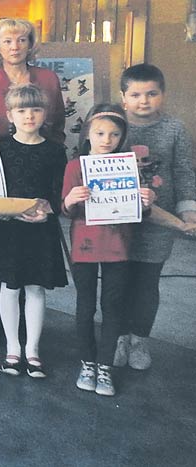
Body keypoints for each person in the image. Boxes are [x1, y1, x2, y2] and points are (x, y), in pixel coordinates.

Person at [0, 18, 66, 335]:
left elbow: (57, 124)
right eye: (7, 41)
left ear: (30, 44)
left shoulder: (48, 79)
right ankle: (0, 309)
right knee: (5, 248)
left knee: (35, 250)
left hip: (39, 163)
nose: (15, 47)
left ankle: (29, 317)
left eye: (22, 40)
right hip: (0, 167)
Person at [62, 104, 154, 396]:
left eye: (114, 134)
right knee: (85, 306)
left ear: (122, 136)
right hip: (85, 245)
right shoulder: (75, 166)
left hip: (118, 246)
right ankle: (87, 363)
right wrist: (71, 199)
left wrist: (146, 202)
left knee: (113, 307)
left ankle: (105, 366)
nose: (107, 139)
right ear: (88, 134)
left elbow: (139, 213)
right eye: (100, 133)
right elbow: (66, 209)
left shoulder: (129, 166)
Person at [0, 85, 68, 378]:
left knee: (36, 288)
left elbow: (59, 192)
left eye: (35, 109)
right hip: (8, 229)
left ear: (45, 114)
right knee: (8, 287)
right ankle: (12, 347)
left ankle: (33, 349)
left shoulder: (55, 150)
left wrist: (47, 212)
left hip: (41, 230)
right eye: (21, 110)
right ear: (10, 115)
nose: (29, 116)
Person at [114, 64, 196, 370]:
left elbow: (184, 170)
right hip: (118, 220)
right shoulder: (114, 125)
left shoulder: (175, 129)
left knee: (147, 283)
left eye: (151, 94)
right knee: (118, 282)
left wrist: (188, 209)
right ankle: (118, 337)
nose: (144, 101)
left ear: (163, 94)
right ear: (123, 98)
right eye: (135, 95)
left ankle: (139, 340)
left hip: (159, 221)